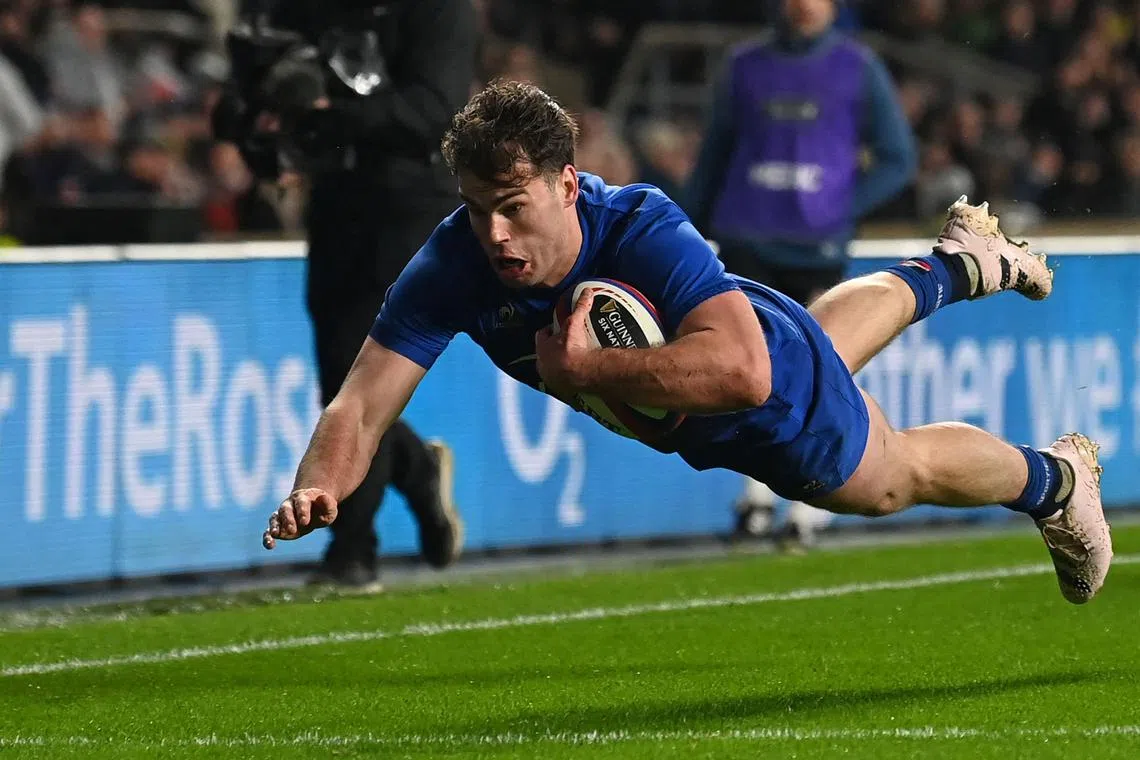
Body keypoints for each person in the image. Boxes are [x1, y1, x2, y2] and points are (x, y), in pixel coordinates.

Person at [262, 80, 1113, 607]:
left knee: (887, 479)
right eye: (477, 206)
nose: (493, 231)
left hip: (746, 382)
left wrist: (588, 367)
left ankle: (1057, 480)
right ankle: (955, 266)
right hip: (741, 348)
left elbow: (746, 374)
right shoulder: (455, 258)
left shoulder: (638, 226)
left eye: (513, 205)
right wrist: (318, 485)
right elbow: (361, 401)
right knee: (820, 346)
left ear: (565, 185)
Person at [213, 0, 475, 588]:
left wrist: (338, 117)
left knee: (352, 367)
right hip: (337, 201)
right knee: (337, 369)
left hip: (410, 205)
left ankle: (352, 551)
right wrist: (257, 114)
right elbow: (253, 83)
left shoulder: (440, 11)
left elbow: (437, 111)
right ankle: (414, 467)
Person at [684, 0, 919, 549]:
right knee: (746, 369)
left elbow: (898, 157)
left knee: (823, 365)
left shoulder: (858, 67)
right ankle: (758, 497)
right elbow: (715, 154)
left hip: (815, 249)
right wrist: (686, 225)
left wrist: (840, 207)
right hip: (747, 236)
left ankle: (814, 499)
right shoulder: (743, 65)